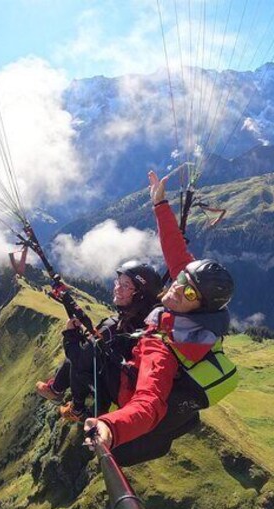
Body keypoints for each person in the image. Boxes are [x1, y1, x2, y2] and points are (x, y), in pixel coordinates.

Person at [83, 170, 235, 466]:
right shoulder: (199, 310)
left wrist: (110, 427)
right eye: (181, 282)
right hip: (153, 378)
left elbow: (149, 403)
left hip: (133, 397)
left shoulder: (165, 347)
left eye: (189, 295)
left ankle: (83, 407)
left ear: (200, 307)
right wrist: (160, 204)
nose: (177, 290)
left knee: (93, 353)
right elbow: (177, 254)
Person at [35, 260, 163, 421]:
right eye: (118, 282)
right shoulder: (149, 321)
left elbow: (79, 358)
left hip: (113, 385)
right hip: (124, 379)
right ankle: (55, 389)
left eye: (125, 285)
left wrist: (71, 335)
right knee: (90, 345)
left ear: (140, 295)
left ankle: (77, 408)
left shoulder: (113, 328)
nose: (117, 288)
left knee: (81, 354)